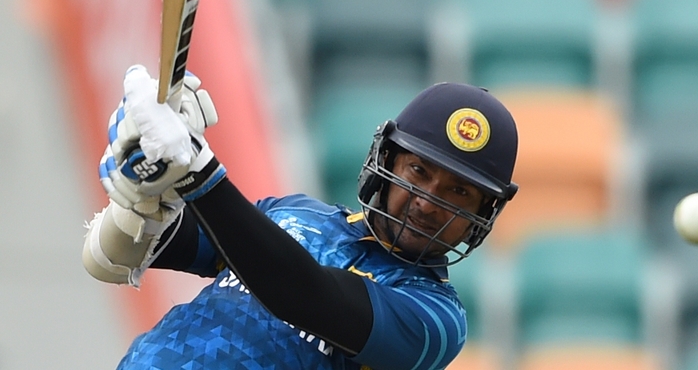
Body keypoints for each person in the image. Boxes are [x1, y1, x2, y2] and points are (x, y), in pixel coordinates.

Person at [83, 65, 519, 370]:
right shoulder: (294, 214)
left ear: (482, 213)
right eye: (418, 172)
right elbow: (116, 255)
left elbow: (304, 294)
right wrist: (147, 184)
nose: (426, 202)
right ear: (386, 161)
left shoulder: (437, 320)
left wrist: (197, 169)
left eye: (458, 192)